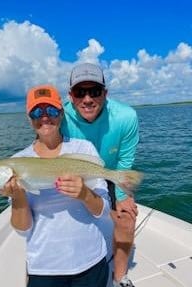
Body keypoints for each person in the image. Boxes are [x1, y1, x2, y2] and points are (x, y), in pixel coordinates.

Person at [0, 84, 112, 287]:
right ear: (29, 118)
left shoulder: (83, 149)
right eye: (36, 112)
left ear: (61, 114)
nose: (44, 117)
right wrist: (18, 197)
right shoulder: (17, 160)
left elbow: (104, 212)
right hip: (44, 267)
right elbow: (22, 228)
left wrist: (85, 194)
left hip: (91, 260)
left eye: (51, 110)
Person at [61, 63, 139, 287]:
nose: (87, 99)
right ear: (71, 96)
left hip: (111, 173)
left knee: (126, 218)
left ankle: (120, 277)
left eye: (94, 91)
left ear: (105, 93)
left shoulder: (126, 117)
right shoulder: (59, 118)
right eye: (80, 92)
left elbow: (125, 161)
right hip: (75, 173)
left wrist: (124, 197)